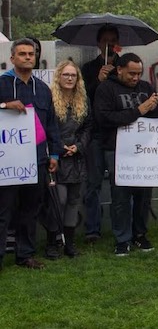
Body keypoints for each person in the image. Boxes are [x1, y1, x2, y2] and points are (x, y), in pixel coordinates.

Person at [0, 38, 61, 270]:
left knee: (30, 209)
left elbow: (51, 124)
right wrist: (4, 106)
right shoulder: (3, 84)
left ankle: (24, 254)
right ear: (12, 58)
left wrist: (54, 154)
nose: (28, 57)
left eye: (31, 54)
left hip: (36, 161)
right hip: (6, 163)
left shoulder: (43, 89)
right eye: (22, 54)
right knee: (3, 211)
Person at [94, 52, 158, 255]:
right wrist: (139, 110)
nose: (135, 78)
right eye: (131, 73)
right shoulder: (106, 89)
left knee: (143, 196)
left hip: (144, 150)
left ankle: (140, 235)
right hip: (116, 150)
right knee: (120, 197)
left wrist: (150, 108)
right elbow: (104, 118)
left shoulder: (146, 87)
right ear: (119, 70)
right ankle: (122, 239)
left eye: (139, 74)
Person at [82, 24, 120, 243]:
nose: (109, 44)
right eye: (105, 40)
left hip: (117, 134)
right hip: (95, 133)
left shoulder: (123, 68)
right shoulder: (88, 68)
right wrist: (98, 80)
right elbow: (84, 97)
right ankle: (92, 229)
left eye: (113, 40)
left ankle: (120, 228)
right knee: (93, 183)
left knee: (119, 184)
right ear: (98, 44)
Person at [50, 60, 92, 257]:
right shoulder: (49, 98)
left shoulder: (83, 99)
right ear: (59, 76)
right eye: (66, 74)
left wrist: (79, 146)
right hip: (56, 157)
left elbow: (88, 126)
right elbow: (46, 126)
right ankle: (55, 240)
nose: (69, 78)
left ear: (78, 79)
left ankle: (70, 243)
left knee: (74, 201)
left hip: (77, 157)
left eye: (73, 75)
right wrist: (58, 147)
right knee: (60, 199)